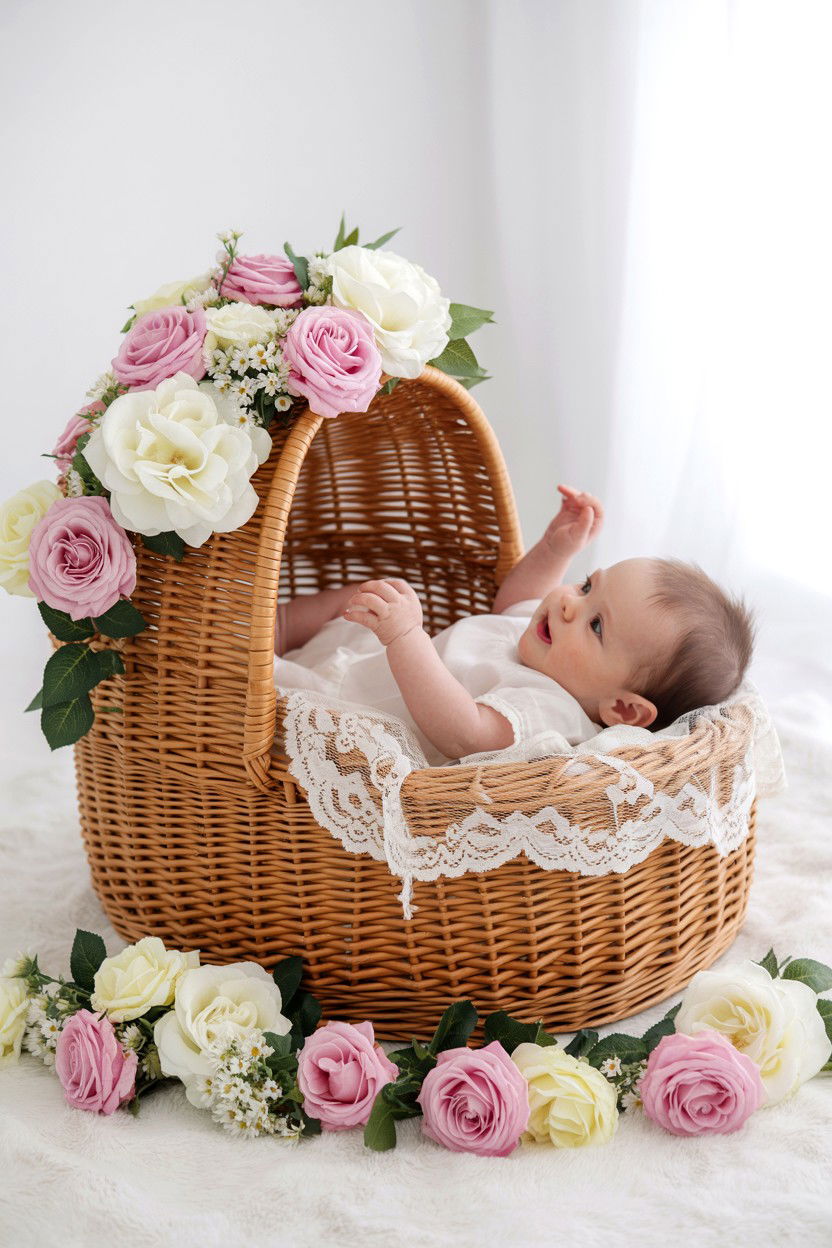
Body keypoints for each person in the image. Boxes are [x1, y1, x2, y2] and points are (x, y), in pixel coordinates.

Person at [273, 485, 755, 766]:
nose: (568, 604)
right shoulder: (550, 645)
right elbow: (517, 600)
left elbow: (464, 732)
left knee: (268, 686)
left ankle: (261, 650)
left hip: (347, 713)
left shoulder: (550, 710)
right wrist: (555, 548)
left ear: (623, 710)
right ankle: (279, 623)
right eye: (587, 586)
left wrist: (405, 636)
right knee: (385, 588)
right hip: (363, 660)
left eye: (597, 626)